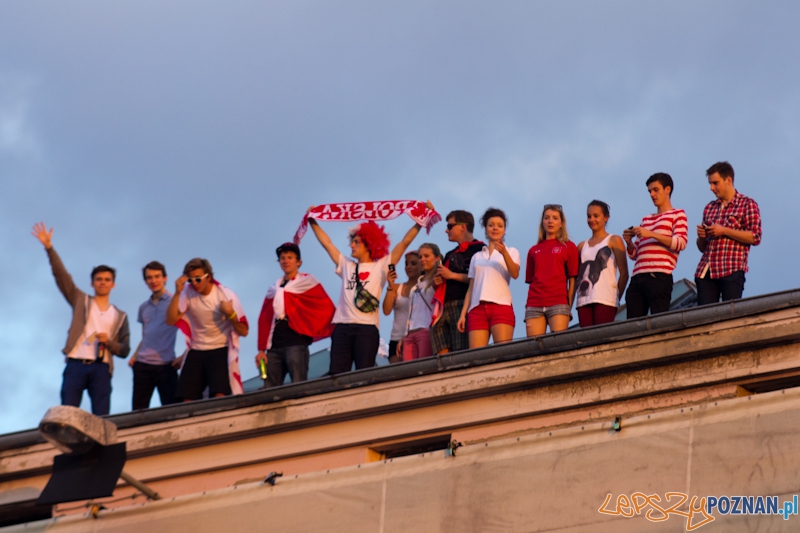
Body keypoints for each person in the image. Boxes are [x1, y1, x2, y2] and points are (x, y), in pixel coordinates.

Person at [307, 202, 433, 373]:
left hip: (367, 329)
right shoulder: (346, 265)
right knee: (337, 375)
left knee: (364, 374)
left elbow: (405, 242)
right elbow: (327, 243)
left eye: (356, 242)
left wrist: (422, 218)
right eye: (352, 242)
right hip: (341, 327)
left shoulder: (381, 266)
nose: (351, 245)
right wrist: (312, 220)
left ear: (369, 244)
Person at [31, 222, 130, 416]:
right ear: (92, 283)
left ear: (113, 284)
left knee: (101, 416)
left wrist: (109, 343)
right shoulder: (81, 300)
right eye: (99, 279)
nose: (103, 283)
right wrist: (49, 248)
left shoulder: (120, 316)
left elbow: (125, 350)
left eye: (107, 280)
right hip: (76, 363)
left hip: (101, 368)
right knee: (67, 414)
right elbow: (62, 277)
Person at [166, 258, 248, 401]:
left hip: (220, 348)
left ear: (208, 277)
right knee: (186, 398)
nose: (194, 284)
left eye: (198, 279)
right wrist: (177, 293)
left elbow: (244, 331)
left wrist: (230, 314)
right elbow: (170, 320)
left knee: (219, 396)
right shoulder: (187, 292)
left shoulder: (225, 295)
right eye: (190, 280)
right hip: (197, 349)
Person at [255, 243, 335, 387]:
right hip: (274, 345)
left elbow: (324, 306)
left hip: (296, 342)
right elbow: (264, 319)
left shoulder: (307, 282)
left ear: (299, 262)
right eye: (282, 258)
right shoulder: (274, 289)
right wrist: (261, 349)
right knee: (270, 389)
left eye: (290, 257)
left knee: (299, 386)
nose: (286, 261)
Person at [695, 161, 762, 305]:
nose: (711, 188)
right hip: (706, 271)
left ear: (728, 180)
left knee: (729, 314)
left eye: (715, 183)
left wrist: (724, 230)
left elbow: (755, 237)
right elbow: (702, 247)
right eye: (710, 184)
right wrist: (702, 237)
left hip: (731, 268)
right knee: (705, 315)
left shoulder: (747, 204)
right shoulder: (710, 208)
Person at [623, 173, 688, 318]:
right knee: (632, 324)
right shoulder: (646, 219)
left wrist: (651, 234)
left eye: (655, 190)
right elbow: (635, 254)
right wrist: (629, 242)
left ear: (667, 189)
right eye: (650, 191)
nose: (652, 194)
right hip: (637, 278)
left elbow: (680, 243)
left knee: (659, 322)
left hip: (659, 276)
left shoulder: (678, 214)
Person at [457, 208, 520, 348]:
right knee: (476, 355)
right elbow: (471, 288)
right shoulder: (477, 256)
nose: (495, 228)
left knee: (503, 352)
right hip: (477, 308)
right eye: (491, 225)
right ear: (485, 229)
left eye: (500, 225)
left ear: (504, 230)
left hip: (501, 305)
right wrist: (463, 314)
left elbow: (515, 274)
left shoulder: (511, 251)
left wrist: (504, 253)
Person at [430, 210, 484, 355]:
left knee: (461, 353)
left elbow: (480, 279)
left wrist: (451, 275)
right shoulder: (450, 254)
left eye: (450, 226)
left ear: (463, 226)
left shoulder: (480, 249)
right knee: (440, 354)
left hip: (463, 305)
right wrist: (437, 281)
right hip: (443, 307)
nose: (446, 230)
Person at [129, 261, 180, 410]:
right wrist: (135, 355)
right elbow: (146, 335)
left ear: (165, 278)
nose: (153, 281)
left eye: (157, 276)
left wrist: (184, 356)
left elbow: (192, 330)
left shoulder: (175, 302)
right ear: (145, 281)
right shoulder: (143, 307)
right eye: (149, 277)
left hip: (166, 364)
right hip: (143, 365)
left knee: (172, 411)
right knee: (138, 413)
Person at [524, 205, 579, 336]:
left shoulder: (569, 246)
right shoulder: (533, 250)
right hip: (534, 303)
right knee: (534, 345)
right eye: (547, 218)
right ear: (542, 222)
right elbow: (531, 280)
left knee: (558, 344)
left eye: (555, 218)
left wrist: (568, 306)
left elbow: (573, 280)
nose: (550, 221)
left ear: (561, 223)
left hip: (558, 303)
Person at [575, 201, 629, 327]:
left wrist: (616, 297)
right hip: (583, 300)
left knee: (602, 335)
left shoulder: (614, 240)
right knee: (585, 336)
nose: (591, 219)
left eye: (596, 216)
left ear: (606, 217)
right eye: (589, 216)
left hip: (605, 299)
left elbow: (624, 273)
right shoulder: (581, 246)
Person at [399, 243, 442, 360]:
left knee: (424, 367)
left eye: (426, 256)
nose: (422, 259)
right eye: (420, 257)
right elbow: (411, 313)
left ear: (437, 258)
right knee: (409, 369)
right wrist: (404, 335)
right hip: (410, 333)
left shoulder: (438, 279)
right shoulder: (417, 284)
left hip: (426, 330)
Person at [383, 250, 422, 364]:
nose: (408, 267)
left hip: (417, 336)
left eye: (413, 263)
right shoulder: (396, 287)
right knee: (396, 372)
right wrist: (390, 286)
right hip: (396, 337)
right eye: (406, 264)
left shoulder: (426, 288)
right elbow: (386, 311)